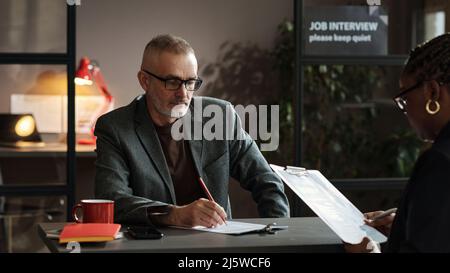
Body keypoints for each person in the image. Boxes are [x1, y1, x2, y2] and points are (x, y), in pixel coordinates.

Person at [94, 34, 289, 228]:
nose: (183, 94)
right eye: (172, 82)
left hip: (216, 244)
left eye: (190, 82)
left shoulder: (220, 117)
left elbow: (266, 181)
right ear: (145, 81)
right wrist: (175, 215)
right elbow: (112, 201)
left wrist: (279, 237)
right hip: (150, 245)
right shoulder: (115, 128)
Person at [347, 33, 450, 252]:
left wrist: (368, 252)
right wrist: (406, 224)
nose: (405, 110)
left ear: (432, 91)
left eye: (405, 98)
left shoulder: (440, 161)